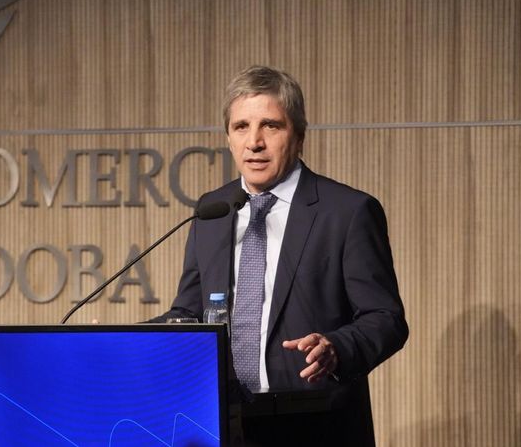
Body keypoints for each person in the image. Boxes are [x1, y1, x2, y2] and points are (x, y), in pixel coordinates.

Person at [154, 65, 408, 446]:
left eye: (270, 126)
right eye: (241, 127)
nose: (254, 142)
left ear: (299, 135)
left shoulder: (347, 212)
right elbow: (189, 314)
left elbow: (386, 319)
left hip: (314, 423)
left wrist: (337, 348)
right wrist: (126, 337)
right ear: (228, 136)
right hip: (219, 423)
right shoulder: (213, 209)